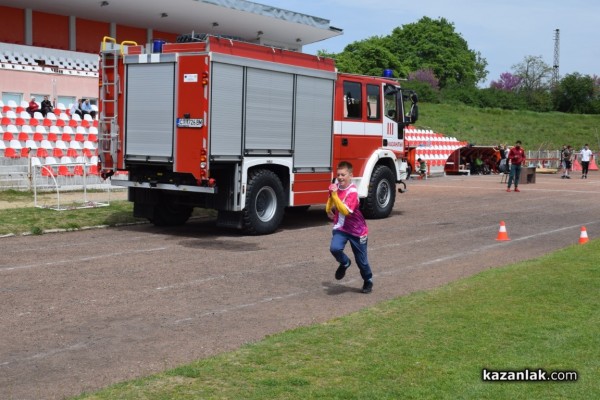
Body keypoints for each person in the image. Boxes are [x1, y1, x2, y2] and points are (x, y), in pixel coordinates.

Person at [326, 161, 373, 294]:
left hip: (357, 231)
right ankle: (345, 262)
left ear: (350, 175)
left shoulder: (352, 192)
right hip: (341, 227)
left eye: (343, 175)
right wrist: (328, 210)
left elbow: (345, 211)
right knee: (334, 248)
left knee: (361, 261)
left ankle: (368, 280)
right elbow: (330, 200)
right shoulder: (335, 188)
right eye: (338, 174)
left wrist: (334, 195)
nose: (340, 177)